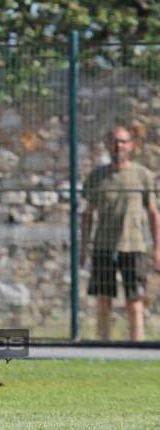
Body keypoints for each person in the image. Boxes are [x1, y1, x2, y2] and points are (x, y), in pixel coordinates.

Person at [80, 125, 160, 341]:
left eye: (123, 142)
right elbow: (87, 214)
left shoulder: (142, 175)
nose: (119, 146)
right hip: (103, 247)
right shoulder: (97, 176)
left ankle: (137, 349)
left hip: (133, 246)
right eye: (115, 141)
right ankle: (103, 348)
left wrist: (157, 249)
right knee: (103, 302)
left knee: (134, 303)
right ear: (107, 145)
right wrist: (83, 248)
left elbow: (153, 213)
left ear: (131, 146)